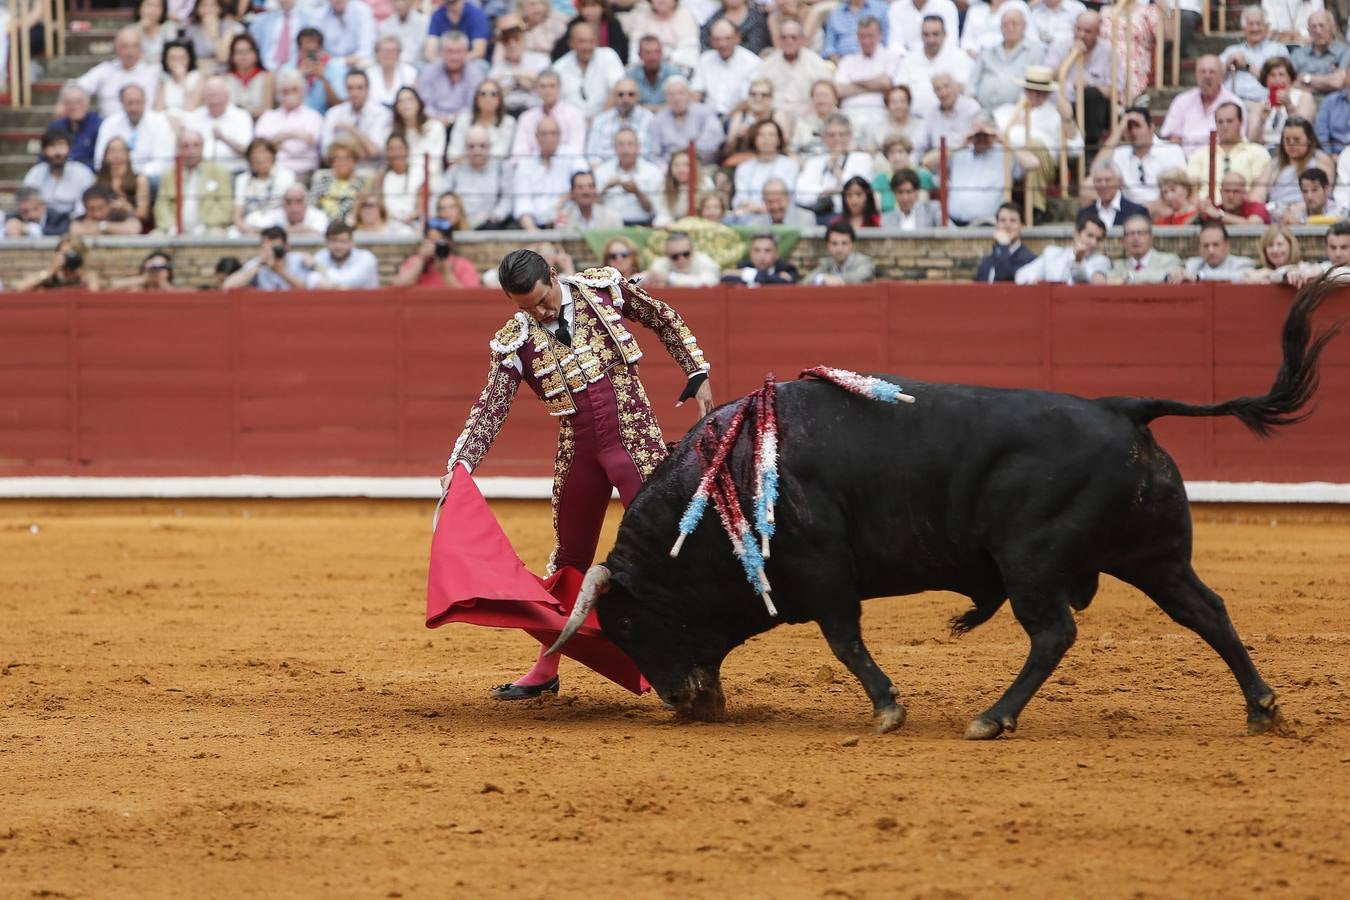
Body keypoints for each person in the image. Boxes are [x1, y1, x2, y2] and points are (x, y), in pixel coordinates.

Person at [442, 248, 712, 699]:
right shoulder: (515, 339)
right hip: (579, 451)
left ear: (553, 275)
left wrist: (696, 370)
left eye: (543, 301)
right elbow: (491, 406)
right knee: (568, 563)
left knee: (666, 552)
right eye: (527, 308)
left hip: (635, 441)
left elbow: (662, 316)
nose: (541, 313)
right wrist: (460, 465)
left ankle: (690, 665)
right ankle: (547, 667)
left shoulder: (601, 289)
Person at [992, 64, 1082, 222]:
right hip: (1008, 160)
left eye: (1040, 92)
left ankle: (1035, 209)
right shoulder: (1004, 112)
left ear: (1047, 93)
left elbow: (1076, 150)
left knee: (1033, 145)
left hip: (1041, 162)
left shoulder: (1055, 115)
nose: (1034, 95)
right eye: (1030, 90)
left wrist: (1068, 120)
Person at [1042, 11, 1119, 154]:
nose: (1081, 35)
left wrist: (1090, 85)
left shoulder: (1108, 52)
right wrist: (1070, 57)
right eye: (1078, 29)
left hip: (1093, 108)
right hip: (1063, 105)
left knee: (1090, 95)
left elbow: (1114, 89)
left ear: (1098, 33)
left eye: (1088, 31)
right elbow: (1047, 76)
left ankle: (1090, 149)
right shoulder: (1060, 46)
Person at [1096, 106, 1187, 210]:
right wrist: (1119, 129)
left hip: (1164, 209)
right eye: (1129, 127)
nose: (1133, 132)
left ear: (1151, 127)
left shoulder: (1171, 150)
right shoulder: (1119, 153)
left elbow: (1180, 192)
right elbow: (1095, 171)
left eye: (1137, 126)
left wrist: (1147, 208)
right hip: (1128, 214)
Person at [1184, 102, 1271, 202]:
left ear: (1241, 122)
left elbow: (1259, 194)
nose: (1224, 126)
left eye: (1229, 121)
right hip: (1205, 212)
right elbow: (1191, 193)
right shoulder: (1199, 155)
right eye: (1220, 122)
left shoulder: (1258, 153)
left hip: (1243, 212)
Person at [511, 116, 587, 230]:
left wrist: (563, 200)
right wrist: (534, 233)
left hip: (567, 223)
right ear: (536, 137)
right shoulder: (525, 164)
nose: (548, 138)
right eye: (544, 133)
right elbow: (522, 204)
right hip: (534, 226)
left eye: (553, 133)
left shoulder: (572, 156)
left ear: (560, 136)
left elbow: (585, 181)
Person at [153, 129, 234, 234]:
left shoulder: (219, 172)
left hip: (209, 228)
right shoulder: (169, 174)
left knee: (216, 234)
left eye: (196, 145)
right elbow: (161, 206)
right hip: (174, 230)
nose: (191, 151)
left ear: (203, 147)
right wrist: (171, 226)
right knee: (154, 236)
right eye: (186, 146)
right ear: (180, 149)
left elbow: (226, 207)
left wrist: (205, 224)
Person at [795, 113, 874, 222]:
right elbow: (800, 194)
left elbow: (858, 189)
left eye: (842, 134)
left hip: (847, 216)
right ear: (824, 137)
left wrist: (836, 170)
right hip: (816, 214)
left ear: (850, 135)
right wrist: (824, 192)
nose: (837, 139)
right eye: (832, 135)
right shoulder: (814, 161)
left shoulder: (862, 159)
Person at [1159, 55, 1241, 157]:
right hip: (1185, 162)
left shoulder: (1234, 103)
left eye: (1212, 72)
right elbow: (1171, 137)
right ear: (1196, 75)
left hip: (1221, 159)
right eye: (1203, 71)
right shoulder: (1182, 101)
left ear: (1222, 76)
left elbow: (1238, 139)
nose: (1207, 76)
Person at [752, 19, 831, 123]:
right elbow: (757, 94)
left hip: (809, 118)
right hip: (774, 121)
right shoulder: (768, 64)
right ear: (778, 40)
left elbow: (828, 93)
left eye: (793, 37)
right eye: (784, 37)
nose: (789, 41)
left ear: (802, 39)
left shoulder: (816, 63)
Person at [1250, 116, 1334, 214]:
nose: (1291, 143)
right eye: (1287, 140)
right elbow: (1257, 195)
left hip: (1308, 213)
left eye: (1296, 139)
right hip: (1276, 214)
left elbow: (1325, 194)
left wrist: (1297, 210)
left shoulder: (1320, 159)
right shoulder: (1274, 164)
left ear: (1309, 140)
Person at [833, 16, 900, 135]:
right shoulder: (847, 61)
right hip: (849, 114)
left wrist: (854, 83)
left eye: (870, 36)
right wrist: (874, 85)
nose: (866, 41)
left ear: (880, 35)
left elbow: (886, 83)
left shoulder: (891, 57)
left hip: (879, 113)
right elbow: (838, 90)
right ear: (857, 37)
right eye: (862, 36)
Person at [76, 26, 161, 120]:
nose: (130, 52)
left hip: (143, 127)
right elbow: (78, 87)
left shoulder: (153, 72)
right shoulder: (104, 70)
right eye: (125, 46)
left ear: (141, 49)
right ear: (116, 49)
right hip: (108, 127)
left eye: (135, 46)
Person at [967, 8, 1043, 112]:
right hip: (982, 110)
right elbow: (972, 84)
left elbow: (1034, 87)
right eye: (1005, 24)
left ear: (1024, 26)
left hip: (1018, 112)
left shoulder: (1035, 51)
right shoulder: (988, 51)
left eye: (1014, 24)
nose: (1010, 28)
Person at [93, 84, 175, 180]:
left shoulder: (160, 122)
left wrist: (137, 177)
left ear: (145, 102)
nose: (134, 108)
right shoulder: (109, 123)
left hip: (148, 178)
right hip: (115, 176)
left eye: (138, 102)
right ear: (122, 103)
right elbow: (99, 159)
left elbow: (164, 161)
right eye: (130, 103)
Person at [894, 16, 972, 115]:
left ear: (944, 35)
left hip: (949, 117)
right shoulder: (908, 59)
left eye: (935, 34)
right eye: (926, 35)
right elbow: (899, 91)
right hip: (914, 119)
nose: (931, 40)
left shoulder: (960, 57)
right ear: (921, 36)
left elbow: (965, 90)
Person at [944, 114, 1011, 225]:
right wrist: (961, 145)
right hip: (953, 223)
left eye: (985, 134)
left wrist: (1004, 141)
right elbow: (927, 163)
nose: (981, 138)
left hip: (986, 224)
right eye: (977, 134)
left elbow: (1032, 163)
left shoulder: (1004, 155)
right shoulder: (959, 153)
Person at [23, 129, 96, 230]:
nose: (57, 152)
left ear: (70, 149)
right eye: (52, 146)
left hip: (75, 225)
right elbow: (28, 205)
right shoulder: (35, 174)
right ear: (44, 150)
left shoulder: (83, 173)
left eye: (61, 145)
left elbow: (86, 207)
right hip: (40, 224)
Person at [441, 126, 512, 229]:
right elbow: (440, 196)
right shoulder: (455, 170)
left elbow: (507, 199)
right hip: (459, 226)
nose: (477, 151)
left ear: (489, 147)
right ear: (465, 148)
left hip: (492, 225)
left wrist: (494, 217)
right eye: (471, 146)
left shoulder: (501, 168)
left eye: (482, 146)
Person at [644, 75, 725, 164]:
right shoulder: (658, 120)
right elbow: (653, 154)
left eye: (681, 93)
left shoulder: (704, 112)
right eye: (671, 94)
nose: (676, 98)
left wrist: (687, 151)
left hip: (699, 164)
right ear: (666, 97)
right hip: (669, 169)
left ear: (689, 95)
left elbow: (716, 138)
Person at [554, 21, 626, 118]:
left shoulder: (608, 55)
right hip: (570, 122)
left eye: (591, 41)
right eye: (582, 41)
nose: (587, 46)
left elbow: (618, 90)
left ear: (597, 41)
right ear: (571, 43)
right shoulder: (559, 67)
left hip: (607, 119)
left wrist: (599, 122)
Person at [510, 70, 587, 160]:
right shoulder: (526, 117)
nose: (547, 90)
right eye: (543, 86)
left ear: (559, 88)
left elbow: (576, 151)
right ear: (536, 89)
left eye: (552, 86)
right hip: (532, 168)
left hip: (565, 168)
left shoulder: (575, 115)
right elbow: (518, 153)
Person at [184, 76, 255, 174]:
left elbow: (247, 151)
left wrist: (224, 138)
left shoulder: (242, 116)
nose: (214, 100)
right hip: (201, 172)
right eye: (210, 95)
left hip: (233, 171)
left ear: (227, 96)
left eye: (217, 95)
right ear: (204, 98)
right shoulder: (195, 116)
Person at [321, 70, 394, 165]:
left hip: (372, 169)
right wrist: (361, 150)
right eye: (350, 88)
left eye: (360, 88)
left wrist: (351, 128)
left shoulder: (382, 113)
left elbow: (374, 152)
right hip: (340, 170)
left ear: (368, 90)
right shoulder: (334, 113)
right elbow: (326, 153)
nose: (355, 93)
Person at [690, 18, 759, 118]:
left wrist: (725, 119)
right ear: (711, 41)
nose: (722, 44)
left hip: (738, 116)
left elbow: (748, 100)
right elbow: (696, 91)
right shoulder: (705, 59)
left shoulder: (752, 62)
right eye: (717, 39)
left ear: (737, 38)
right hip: (708, 117)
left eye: (728, 38)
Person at [732, 121, 801, 219]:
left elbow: (788, 196)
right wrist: (756, 208)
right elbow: (740, 197)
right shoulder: (743, 167)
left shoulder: (791, 165)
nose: (766, 139)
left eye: (771, 135)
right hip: (751, 214)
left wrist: (767, 208)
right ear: (754, 139)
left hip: (782, 215)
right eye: (761, 135)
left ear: (778, 140)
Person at [1014, 213, 1109, 284]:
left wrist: (1078, 261)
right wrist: (1033, 280)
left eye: (1098, 239)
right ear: (1076, 235)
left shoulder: (1101, 261)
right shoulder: (1052, 254)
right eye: (1090, 236)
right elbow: (1021, 275)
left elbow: (1083, 279)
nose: (1093, 242)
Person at [1251, 57, 1317, 154]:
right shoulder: (1260, 102)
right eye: (1272, 75)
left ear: (1290, 78)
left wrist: (1290, 107)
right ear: (1266, 80)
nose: (1277, 79)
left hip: (1294, 149)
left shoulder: (1304, 97)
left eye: (1281, 75)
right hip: (1265, 150)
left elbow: (1305, 131)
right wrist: (1261, 121)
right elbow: (1252, 140)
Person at [1219, 7, 1286, 103]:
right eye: (1250, 24)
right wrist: (1227, 65)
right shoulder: (1232, 50)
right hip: (1232, 103)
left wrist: (1248, 66)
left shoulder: (1278, 49)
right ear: (1244, 28)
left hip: (1263, 103)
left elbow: (1281, 82)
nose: (1255, 28)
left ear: (1267, 27)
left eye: (1259, 24)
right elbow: (1214, 79)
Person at [417, 32, 484, 127]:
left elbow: (473, 105)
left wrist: (452, 119)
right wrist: (436, 118)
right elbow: (424, 103)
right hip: (433, 121)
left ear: (466, 52)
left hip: (464, 122)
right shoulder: (429, 71)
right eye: (450, 51)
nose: (454, 57)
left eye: (459, 51)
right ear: (441, 52)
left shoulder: (475, 74)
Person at [916, 73, 981, 168]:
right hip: (937, 168)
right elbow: (918, 144)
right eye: (938, 89)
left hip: (968, 163)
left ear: (956, 87)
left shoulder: (971, 107)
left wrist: (949, 152)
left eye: (946, 86)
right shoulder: (931, 113)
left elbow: (978, 141)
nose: (943, 93)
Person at [232, 137, 295, 235]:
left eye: (264, 152)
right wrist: (245, 229)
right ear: (249, 158)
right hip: (251, 224)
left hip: (278, 224)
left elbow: (292, 208)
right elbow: (238, 214)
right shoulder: (243, 179)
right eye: (256, 153)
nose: (260, 157)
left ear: (273, 155)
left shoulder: (286, 176)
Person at [585, 78, 654, 167]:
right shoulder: (601, 120)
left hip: (641, 172)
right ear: (614, 96)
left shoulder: (649, 119)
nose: (626, 99)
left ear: (638, 96)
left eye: (631, 94)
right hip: (607, 173)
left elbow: (652, 154)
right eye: (621, 94)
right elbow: (592, 156)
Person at [393, 219, 483, 287]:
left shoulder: (464, 265)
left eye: (439, 242)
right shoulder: (414, 262)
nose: (435, 247)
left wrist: (446, 274)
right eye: (431, 241)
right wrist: (421, 261)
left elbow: (471, 299)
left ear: (450, 243)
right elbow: (397, 288)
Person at [282, 26, 347, 114]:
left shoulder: (335, 67)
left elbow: (339, 106)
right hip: (294, 119)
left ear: (321, 50)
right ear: (299, 50)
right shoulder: (287, 69)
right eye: (307, 51)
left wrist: (324, 79)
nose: (310, 56)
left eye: (314, 52)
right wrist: (298, 76)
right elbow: (282, 102)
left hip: (324, 118)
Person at [222, 226, 310, 290]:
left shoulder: (298, 260)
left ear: (286, 247)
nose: (272, 252)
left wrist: (279, 271)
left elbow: (306, 288)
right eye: (267, 248)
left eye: (275, 248)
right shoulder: (257, 263)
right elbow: (228, 286)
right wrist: (258, 266)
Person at [300, 220, 380, 289]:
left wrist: (316, 266)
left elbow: (349, 281)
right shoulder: (321, 256)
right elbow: (312, 280)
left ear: (351, 243)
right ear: (326, 242)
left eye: (342, 241)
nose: (338, 246)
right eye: (333, 240)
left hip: (365, 304)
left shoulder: (367, 258)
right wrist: (334, 287)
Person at [392, 87, 448, 183]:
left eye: (409, 100)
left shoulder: (435, 128)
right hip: (402, 180)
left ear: (418, 103)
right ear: (397, 108)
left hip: (430, 181)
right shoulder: (395, 134)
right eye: (401, 102)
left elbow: (434, 165)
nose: (405, 105)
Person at [309, 138, 371, 224]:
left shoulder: (362, 183)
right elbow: (311, 206)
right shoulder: (322, 180)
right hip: (321, 225)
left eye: (347, 158)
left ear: (355, 160)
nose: (342, 162)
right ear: (332, 161)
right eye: (337, 158)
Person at [1289, 10, 1349, 96]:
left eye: (1322, 25)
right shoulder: (1298, 54)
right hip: (1304, 103)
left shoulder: (1345, 52)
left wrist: (1305, 78)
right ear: (1309, 31)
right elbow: (1289, 82)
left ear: (1333, 28)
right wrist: (1328, 82)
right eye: (1313, 27)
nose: (1318, 31)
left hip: (1334, 105)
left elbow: (1338, 82)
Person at [1107, 214, 1182, 284]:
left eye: (1141, 233)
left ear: (1151, 238)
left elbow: (1171, 276)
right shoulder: (1119, 265)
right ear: (1123, 240)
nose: (1135, 238)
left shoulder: (1169, 260)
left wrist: (1129, 278)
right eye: (1130, 234)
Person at [95, 137, 152, 228]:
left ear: (128, 155)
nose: (116, 155)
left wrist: (127, 208)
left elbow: (143, 215)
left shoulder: (139, 180)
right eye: (112, 151)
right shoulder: (98, 180)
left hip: (132, 225)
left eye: (121, 150)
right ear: (105, 156)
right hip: (105, 223)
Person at [627, 0, 700, 69]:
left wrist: (662, 62)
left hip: (678, 67)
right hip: (646, 68)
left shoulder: (686, 16)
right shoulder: (642, 17)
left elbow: (689, 50)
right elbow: (635, 50)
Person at [1174, 221, 1255, 282]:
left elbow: (1241, 277)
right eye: (1206, 245)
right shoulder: (1192, 264)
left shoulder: (1243, 264)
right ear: (1200, 248)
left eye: (1216, 245)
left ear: (1227, 245)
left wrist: (1200, 276)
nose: (1211, 251)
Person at [13, 236, 103, 291]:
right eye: (64, 254)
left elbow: (95, 295)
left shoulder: (87, 277)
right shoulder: (50, 277)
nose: (68, 258)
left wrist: (81, 274)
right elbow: (20, 288)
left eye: (71, 254)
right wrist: (50, 272)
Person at [975, 202, 1036, 282]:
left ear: (1022, 226)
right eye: (1003, 220)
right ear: (996, 226)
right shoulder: (986, 261)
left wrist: (1004, 244)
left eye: (1013, 220)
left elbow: (1004, 279)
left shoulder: (1029, 260)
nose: (1007, 225)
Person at [1081, 159, 1149, 229]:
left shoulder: (1137, 212)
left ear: (1118, 182)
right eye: (1098, 180)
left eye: (1108, 180)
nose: (1103, 185)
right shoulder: (1085, 213)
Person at [49, 85, 102, 172]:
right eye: (69, 103)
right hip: (60, 175)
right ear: (63, 105)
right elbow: (45, 156)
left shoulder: (99, 125)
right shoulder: (56, 127)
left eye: (78, 102)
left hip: (90, 176)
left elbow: (100, 161)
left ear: (88, 103)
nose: (74, 107)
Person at [1283, 219, 1350, 287]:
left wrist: (1322, 274)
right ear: (1326, 248)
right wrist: (1289, 273)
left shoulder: (1322, 270)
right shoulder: (1322, 267)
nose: (1337, 254)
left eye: (1344, 247)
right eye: (1333, 247)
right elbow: (1276, 274)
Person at [626, 33, 686, 109]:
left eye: (657, 52)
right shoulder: (631, 75)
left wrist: (650, 108)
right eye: (648, 52)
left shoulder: (674, 73)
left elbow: (683, 103)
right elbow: (626, 104)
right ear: (639, 55)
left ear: (662, 53)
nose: (653, 57)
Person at [314, 0, 375, 73]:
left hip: (358, 64)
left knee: (367, 63)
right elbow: (318, 50)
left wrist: (340, 62)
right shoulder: (318, 13)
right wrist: (339, 63)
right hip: (331, 67)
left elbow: (366, 50)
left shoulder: (362, 10)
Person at [223, 33, 274, 120]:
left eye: (247, 51)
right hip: (231, 123)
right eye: (239, 52)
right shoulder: (225, 78)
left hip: (257, 123)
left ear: (255, 53)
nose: (243, 56)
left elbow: (267, 109)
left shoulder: (266, 77)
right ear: (232, 56)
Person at [155, 38, 204, 128]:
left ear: (189, 59)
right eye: (173, 58)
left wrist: (182, 79)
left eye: (181, 58)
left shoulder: (197, 77)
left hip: (190, 124)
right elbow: (158, 111)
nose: (177, 62)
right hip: (167, 123)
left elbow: (190, 109)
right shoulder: (164, 79)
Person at [807, 221, 876, 284]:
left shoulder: (864, 262)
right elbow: (805, 282)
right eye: (834, 243)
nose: (839, 249)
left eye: (844, 243)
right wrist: (822, 278)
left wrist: (832, 278)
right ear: (828, 246)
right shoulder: (826, 263)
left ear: (852, 244)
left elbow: (860, 277)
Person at [646, 230, 722, 286]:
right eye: (674, 256)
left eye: (686, 254)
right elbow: (640, 279)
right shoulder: (661, 263)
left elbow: (708, 281)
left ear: (693, 250)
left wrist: (669, 278)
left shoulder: (705, 261)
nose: (681, 259)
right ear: (667, 255)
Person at [246, 183, 329, 234]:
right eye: (288, 202)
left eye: (299, 201)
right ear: (283, 204)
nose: (293, 207)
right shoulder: (276, 214)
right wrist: (297, 230)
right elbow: (253, 230)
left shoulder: (318, 215)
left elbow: (322, 234)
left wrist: (278, 232)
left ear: (306, 204)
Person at [822, 0, 890, 61]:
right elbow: (829, 47)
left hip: (874, 60)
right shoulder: (836, 13)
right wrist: (841, 64)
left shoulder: (881, 9)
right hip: (840, 62)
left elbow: (886, 42)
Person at [723, 232, 801, 285]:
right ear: (750, 253)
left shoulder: (787, 269)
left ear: (776, 254)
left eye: (767, 251)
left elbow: (787, 282)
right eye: (757, 250)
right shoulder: (742, 266)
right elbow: (725, 278)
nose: (761, 255)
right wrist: (774, 278)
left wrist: (746, 274)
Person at [556, 170, 624, 229]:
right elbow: (558, 239)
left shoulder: (612, 218)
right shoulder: (564, 217)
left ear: (595, 190)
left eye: (590, 186)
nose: (586, 191)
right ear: (572, 192)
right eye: (580, 187)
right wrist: (561, 202)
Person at [888, 0, 960, 55]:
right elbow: (895, 45)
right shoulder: (896, 8)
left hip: (941, 59)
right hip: (907, 61)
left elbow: (951, 42)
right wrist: (913, 59)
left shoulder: (947, 6)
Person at [1198, 170, 1272, 225]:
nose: (1231, 196)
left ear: (1244, 193)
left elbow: (1254, 225)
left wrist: (1220, 216)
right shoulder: (1215, 211)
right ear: (1220, 192)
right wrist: (1199, 212)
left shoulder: (1256, 207)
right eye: (1227, 191)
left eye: (1236, 192)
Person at [700, 0, 771, 56]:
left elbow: (755, 46)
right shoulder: (716, 17)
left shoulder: (756, 18)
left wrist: (728, 53)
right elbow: (704, 41)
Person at [367, 35, 418, 109]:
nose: (388, 54)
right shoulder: (368, 74)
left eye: (393, 51)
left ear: (399, 53)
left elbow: (413, 101)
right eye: (385, 50)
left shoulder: (410, 73)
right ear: (377, 53)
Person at [1280, 167, 1346, 224]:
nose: (1309, 196)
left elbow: (1334, 218)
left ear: (1326, 189)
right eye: (1305, 191)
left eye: (1314, 190)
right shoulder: (1296, 214)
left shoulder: (1341, 212)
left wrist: (1301, 222)